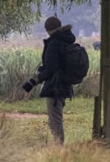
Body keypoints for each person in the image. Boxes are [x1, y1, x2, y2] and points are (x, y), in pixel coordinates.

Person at [22, 16, 76, 145]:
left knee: (55, 120)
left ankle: (58, 148)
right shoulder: (67, 40)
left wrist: (33, 81)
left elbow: (50, 70)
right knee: (57, 117)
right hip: (65, 85)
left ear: (48, 30)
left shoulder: (54, 44)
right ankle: (58, 146)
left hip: (55, 87)